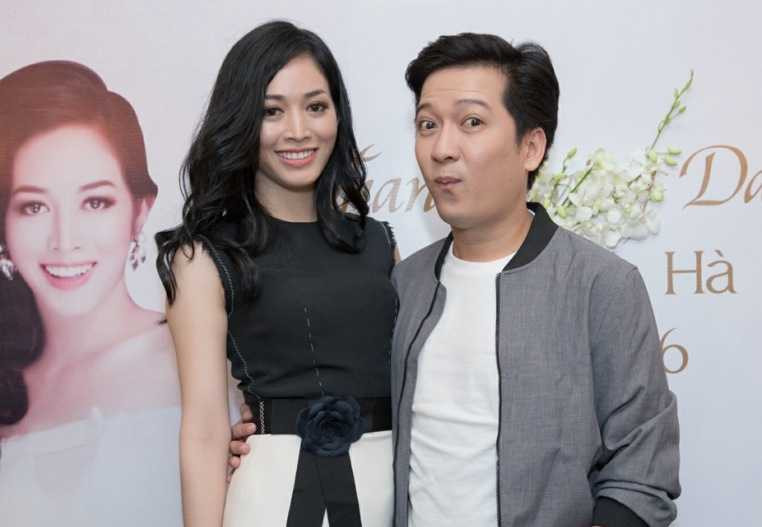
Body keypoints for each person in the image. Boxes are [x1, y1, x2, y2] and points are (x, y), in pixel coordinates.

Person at [232, 32, 681, 527]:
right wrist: (273, 432)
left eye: (472, 122)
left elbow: (642, 475)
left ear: (531, 147)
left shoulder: (600, 284)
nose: (442, 148)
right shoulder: (404, 283)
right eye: (428, 125)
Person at [156, 21, 397, 527]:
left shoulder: (380, 243)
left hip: (397, 495)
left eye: (316, 106)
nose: (298, 130)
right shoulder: (204, 257)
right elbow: (204, 429)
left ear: (338, 114)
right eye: (272, 111)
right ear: (242, 119)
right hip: (274, 497)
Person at [0, 61, 181, 525]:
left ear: (139, 211)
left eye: (94, 202)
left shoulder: (191, 359)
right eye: (33, 206)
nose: (65, 240)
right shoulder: (9, 374)